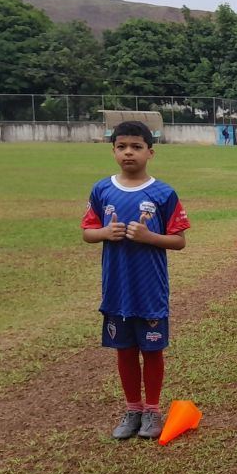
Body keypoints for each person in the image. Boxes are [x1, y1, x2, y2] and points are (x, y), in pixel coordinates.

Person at [81, 120, 190, 440]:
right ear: (113, 151)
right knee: (124, 350)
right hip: (116, 289)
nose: (129, 152)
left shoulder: (163, 192)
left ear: (150, 152)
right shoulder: (102, 190)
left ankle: (153, 411)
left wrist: (148, 236)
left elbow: (179, 240)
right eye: (122, 147)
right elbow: (88, 232)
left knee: (152, 350)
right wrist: (105, 233)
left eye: (136, 147)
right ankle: (132, 409)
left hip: (150, 290)